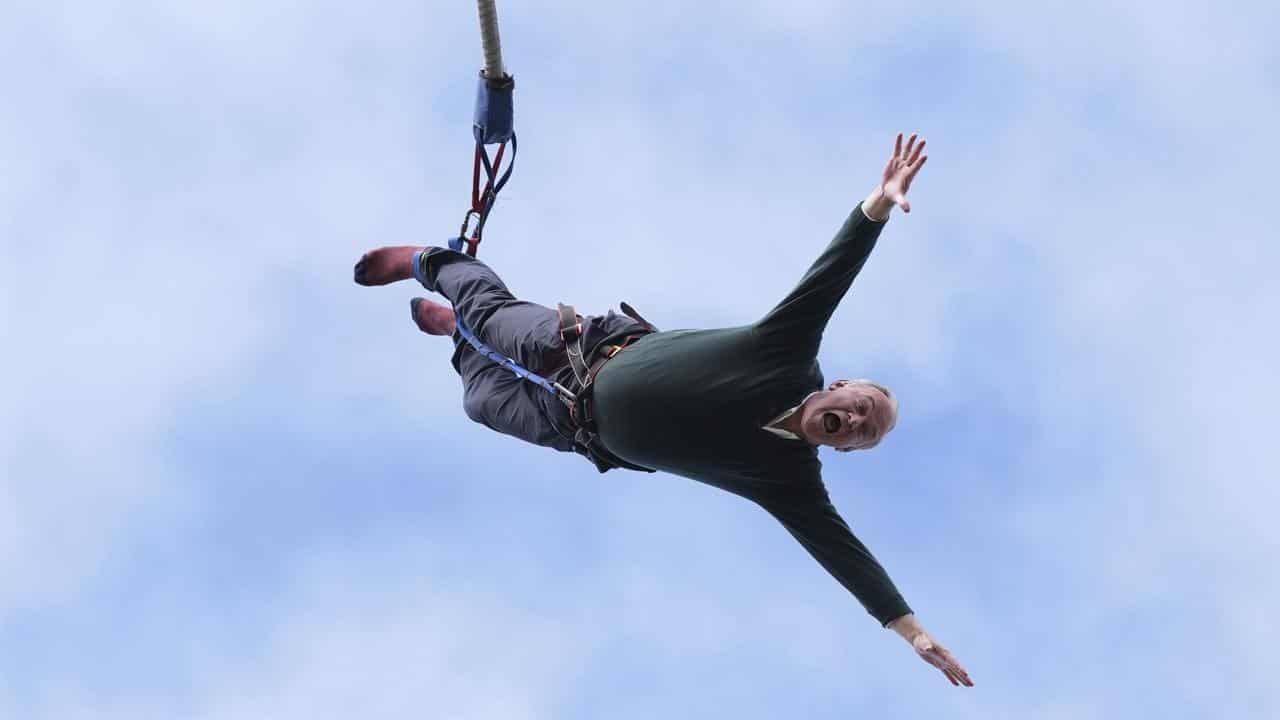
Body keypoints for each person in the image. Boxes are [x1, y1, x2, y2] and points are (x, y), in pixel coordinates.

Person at [354, 133, 973, 687]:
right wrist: (881, 202)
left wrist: (912, 631)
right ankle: (427, 264)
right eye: (861, 406)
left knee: (478, 400)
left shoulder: (788, 481)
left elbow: (844, 554)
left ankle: (453, 333)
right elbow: (832, 273)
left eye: (862, 434)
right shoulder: (786, 353)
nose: (857, 420)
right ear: (839, 385)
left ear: (843, 449)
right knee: (491, 312)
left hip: (572, 427)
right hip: (580, 347)